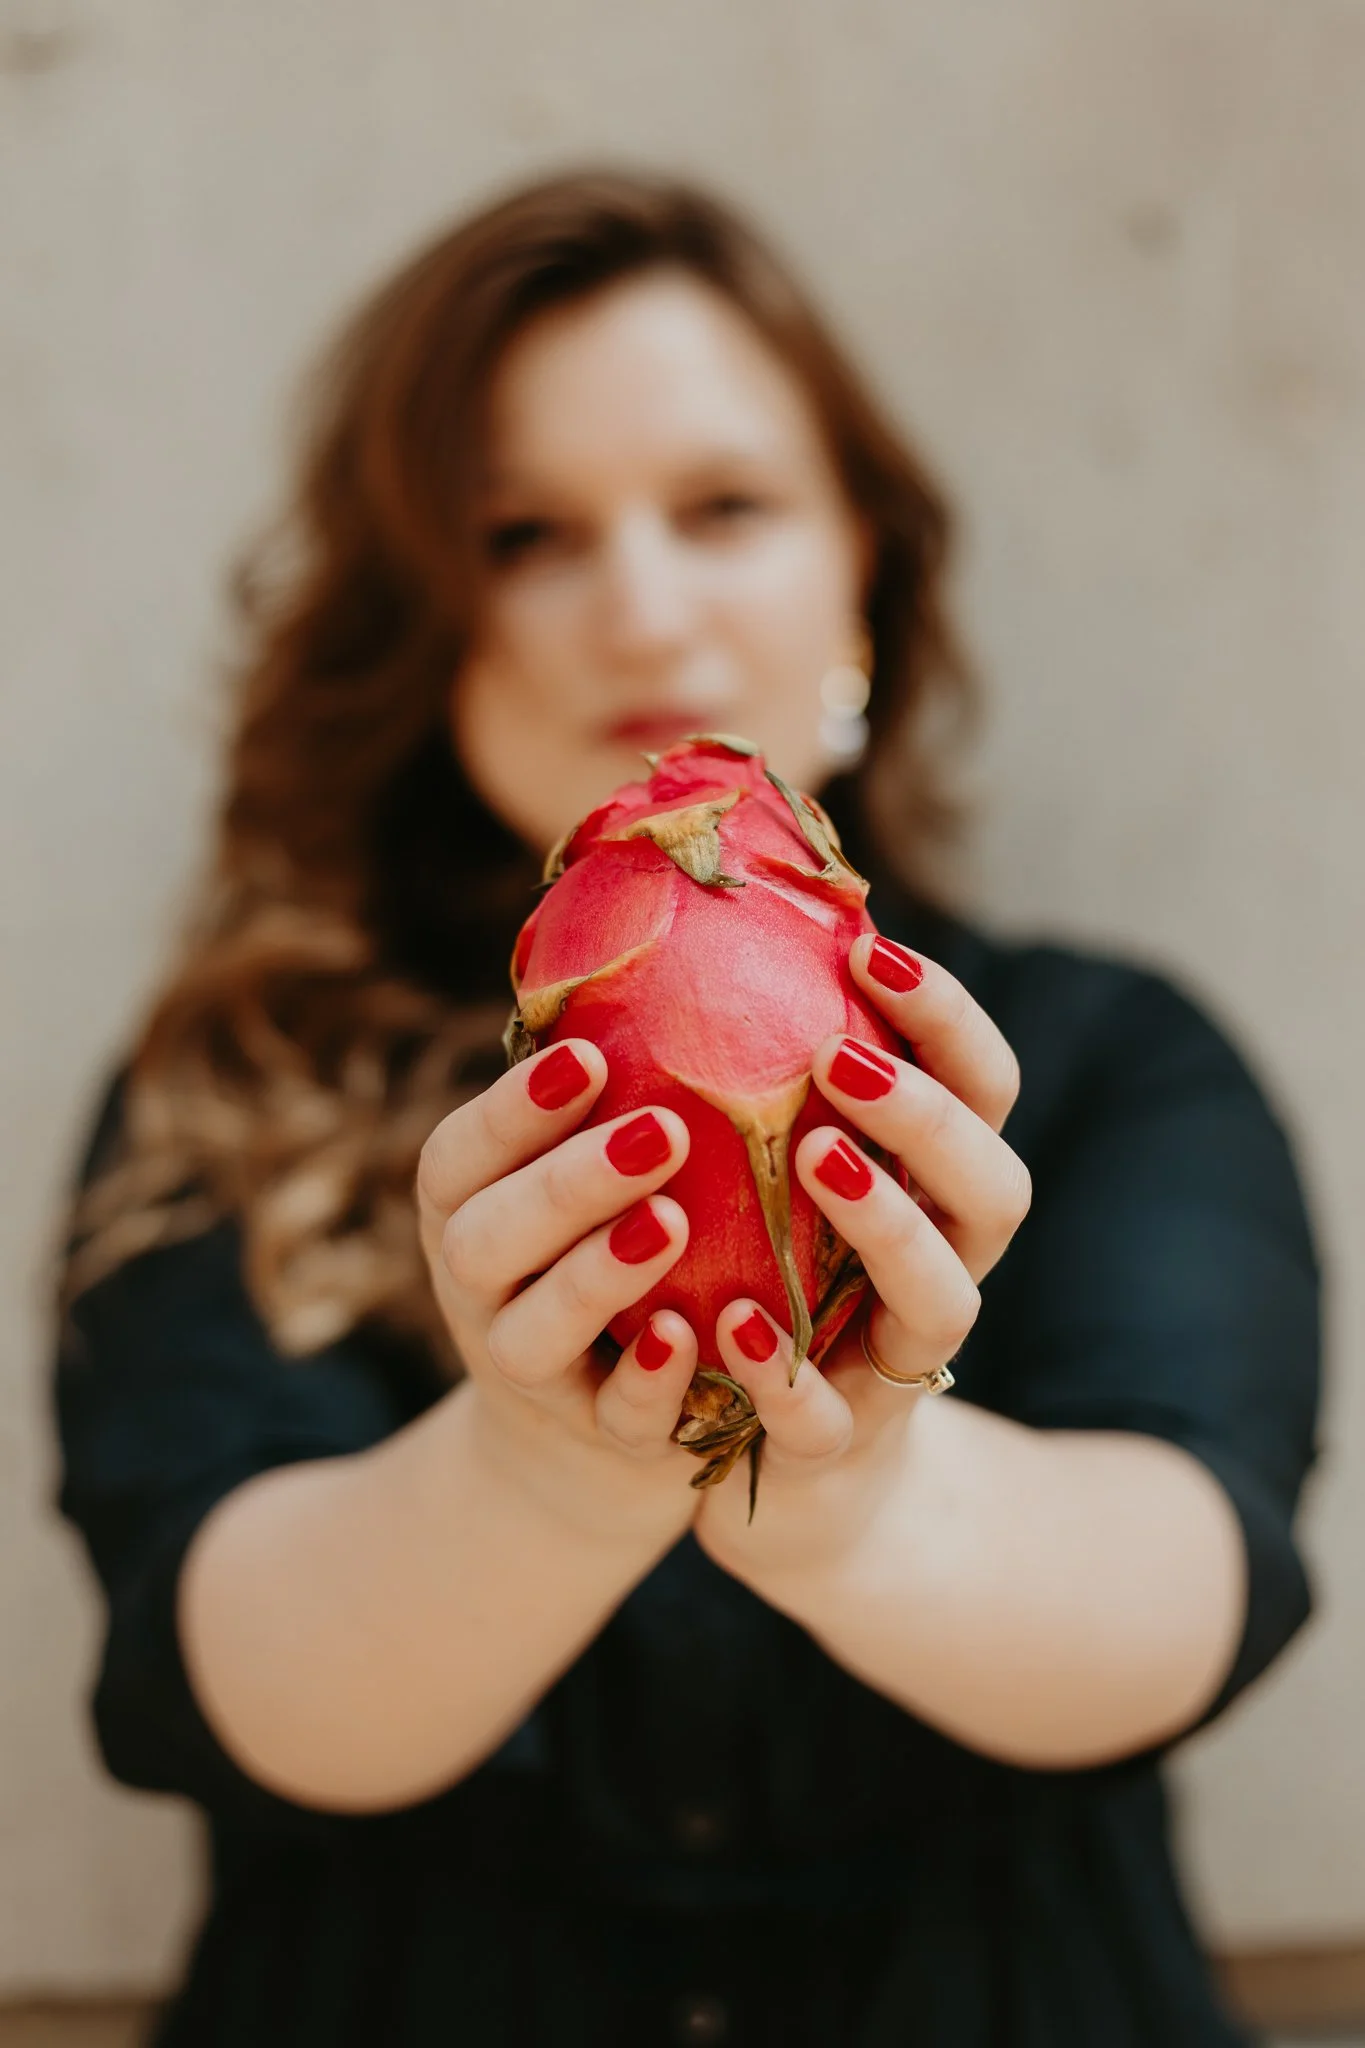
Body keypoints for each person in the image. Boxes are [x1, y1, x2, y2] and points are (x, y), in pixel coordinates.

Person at [52, 168, 1321, 2048]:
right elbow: (224, 1669)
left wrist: (859, 1512)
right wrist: (536, 1482)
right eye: (524, 533)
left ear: (862, 568)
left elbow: (1186, 1591)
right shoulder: (237, 1093)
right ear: (426, 621)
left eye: (725, 507)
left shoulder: (1114, 1061)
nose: (642, 611)